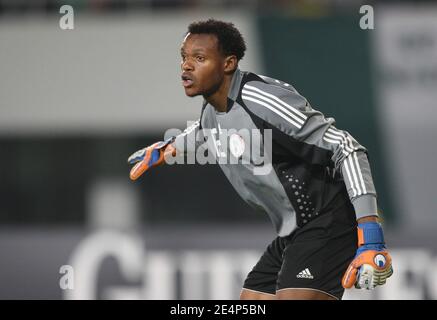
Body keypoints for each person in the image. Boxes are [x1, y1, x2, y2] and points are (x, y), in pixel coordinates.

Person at [127, 19, 393, 300]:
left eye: (199, 58)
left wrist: (370, 231)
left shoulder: (262, 102)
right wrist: (167, 148)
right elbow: (204, 132)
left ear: (228, 64)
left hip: (328, 220)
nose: (186, 66)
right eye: (184, 57)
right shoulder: (212, 110)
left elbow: (347, 147)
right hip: (293, 232)